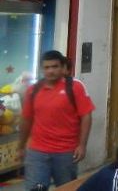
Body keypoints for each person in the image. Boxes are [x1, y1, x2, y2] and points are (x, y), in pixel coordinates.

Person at [18, 51, 95, 190]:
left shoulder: (75, 87)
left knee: (66, 188)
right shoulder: (33, 90)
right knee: (35, 188)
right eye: (47, 67)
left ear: (62, 67)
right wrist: (21, 146)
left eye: (55, 66)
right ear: (42, 69)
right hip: (37, 152)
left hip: (66, 152)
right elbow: (26, 119)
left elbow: (86, 116)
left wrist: (82, 145)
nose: (51, 71)